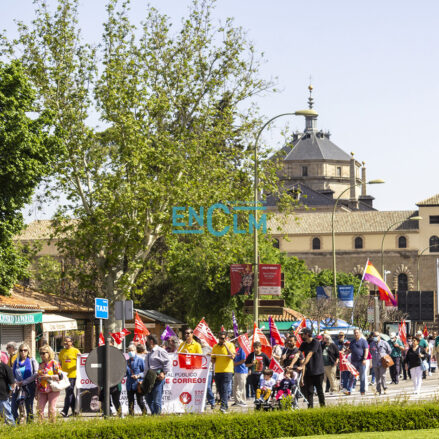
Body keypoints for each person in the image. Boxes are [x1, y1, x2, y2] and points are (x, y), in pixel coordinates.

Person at [143, 334, 171, 415]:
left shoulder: (160, 351)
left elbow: (167, 362)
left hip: (157, 379)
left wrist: (163, 373)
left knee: (156, 400)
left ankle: (157, 416)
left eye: (147, 341)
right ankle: (154, 414)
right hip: (148, 379)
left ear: (151, 341)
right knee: (148, 398)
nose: (146, 343)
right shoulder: (149, 353)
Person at [11, 343, 38, 423]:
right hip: (18, 387)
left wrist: (24, 382)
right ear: (19, 351)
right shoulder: (16, 362)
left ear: (28, 351)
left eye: (25, 350)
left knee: (29, 408)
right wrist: (16, 382)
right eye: (21, 350)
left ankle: (30, 426)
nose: (23, 352)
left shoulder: (32, 360)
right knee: (13, 407)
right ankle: (16, 425)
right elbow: (12, 374)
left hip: (29, 387)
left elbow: (36, 374)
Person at [298, 327, 325, 408]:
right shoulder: (303, 344)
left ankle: (323, 407)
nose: (301, 336)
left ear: (307, 334)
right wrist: (291, 362)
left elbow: (309, 354)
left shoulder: (315, 342)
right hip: (308, 371)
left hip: (318, 371)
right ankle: (310, 408)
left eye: (302, 334)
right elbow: (298, 354)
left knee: (319, 391)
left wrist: (302, 365)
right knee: (309, 391)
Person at [211, 331, 235, 413]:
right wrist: (211, 357)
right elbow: (213, 359)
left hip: (227, 371)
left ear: (226, 338)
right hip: (217, 371)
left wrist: (226, 346)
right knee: (220, 389)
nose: (222, 340)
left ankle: (223, 406)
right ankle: (224, 405)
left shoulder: (230, 345)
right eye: (221, 338)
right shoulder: (215, 347)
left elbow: (232, 356)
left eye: (223, 338)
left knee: (224, 388)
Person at [37, 345, 61, 422]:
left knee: (51, 410)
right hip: (42, 389)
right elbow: (38, 379)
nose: (42, 355)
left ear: (49, 353)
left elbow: (60, 376)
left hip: (52, 389)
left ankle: (52, 427)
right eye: (40, 353)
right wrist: (36, 391)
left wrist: (49, 376)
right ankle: (41, 427)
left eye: (44, 353)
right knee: (39, 409)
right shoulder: (40, 364)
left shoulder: (54, 363)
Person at [59, 336, 81, 418]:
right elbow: (60, 363)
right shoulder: (62, 352)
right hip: (64, 376)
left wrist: (80, 356)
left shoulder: (75, 351)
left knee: (69, 392)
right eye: (65, 341)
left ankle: (65, 410)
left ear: (72, 342)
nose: (66, 343)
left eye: (68, 341)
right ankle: (75, 411)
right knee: (70, 393)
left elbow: (81, 360)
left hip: (73, 375)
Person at [126, 344, 146, 415]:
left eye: (132, 350)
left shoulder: (140, 360)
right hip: (129, 384)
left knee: (140, 401)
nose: (131, 352)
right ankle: (131, 417)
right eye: (129, 350)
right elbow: (125, 373)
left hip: (138, 384)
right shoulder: (126, 361)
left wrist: (138, 376)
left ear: (136, 351)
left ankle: (145, 414)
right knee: (130, 402)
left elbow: (145, 372)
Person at [349, 329, 369, 395]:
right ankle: (349, 390)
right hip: (353, 362)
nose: (356, 334)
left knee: (362, 377)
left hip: (361, 361)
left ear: (360, 333)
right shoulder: (352, 342)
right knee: (352, 376)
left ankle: (362, 390)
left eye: (357, 333)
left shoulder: (363, 341)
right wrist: (343, 352)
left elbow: (366, 350)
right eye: (355, 333)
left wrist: (365, 359)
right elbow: (350, 350)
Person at [232, 339, 247, 407]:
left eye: (238, 341)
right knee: (235, 387)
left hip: (242, 371)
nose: (236, 342)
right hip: (236, 371)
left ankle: (242, 401)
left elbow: (244, 360)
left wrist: (235, 364)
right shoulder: (238, 350)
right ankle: (237, 401)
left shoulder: (243, 350)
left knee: (241, 387)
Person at [0, 361, 15, 425]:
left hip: (3, 396)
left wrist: (10, 394)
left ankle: (14, 431)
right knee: (2, 418)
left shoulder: (5, 367)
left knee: (8, 415)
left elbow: (12, 383)